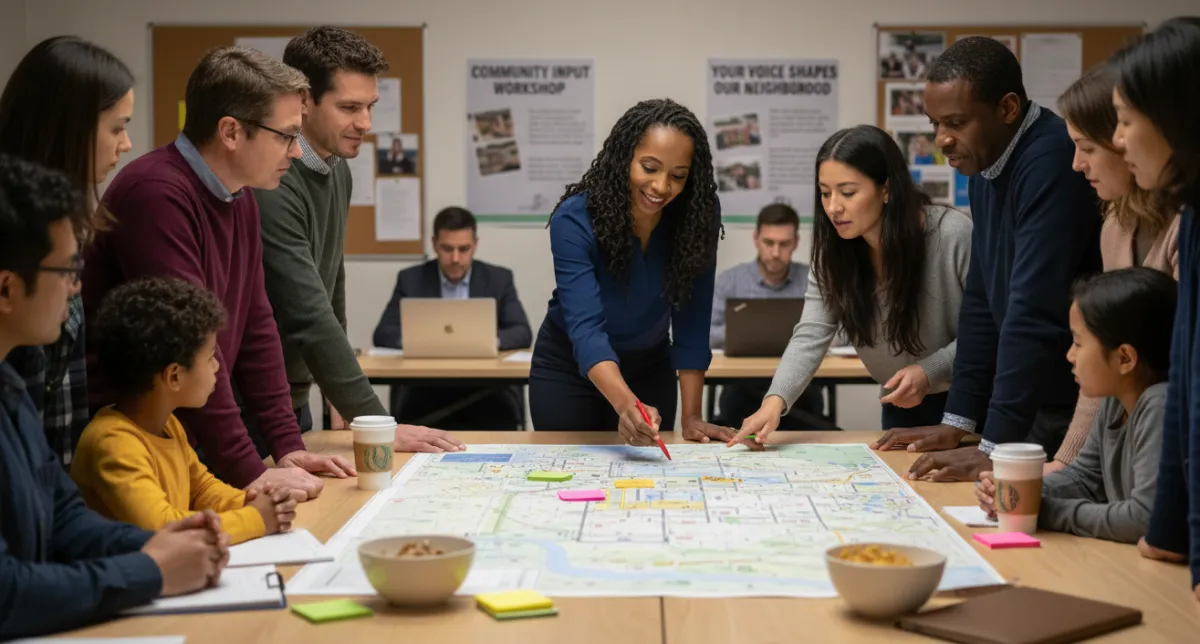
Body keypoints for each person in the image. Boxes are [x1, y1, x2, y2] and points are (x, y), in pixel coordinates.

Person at [82, 46, 354, 498]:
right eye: (286, 136)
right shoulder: (158, 195)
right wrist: (253, 472)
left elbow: (257, 325)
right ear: (230, 131)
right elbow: (186, 345)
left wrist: (286, 446)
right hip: (132, 441)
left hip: (187, 433)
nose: (295, 150)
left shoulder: (241, 196)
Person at [0, 153, 229, 639]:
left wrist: (159, 543)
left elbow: (62, 519)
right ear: (7, 288)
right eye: (66, 270)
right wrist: (152, 571)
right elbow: (7, 594)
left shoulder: (11, 386)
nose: (77, 287)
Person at [876, 36, 1103, 482]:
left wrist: (993, 447)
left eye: (956, 122)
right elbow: (981, 302)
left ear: (1007, 108)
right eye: (935, 123)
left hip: (1072, 401)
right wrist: (957, 421)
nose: (942, 140)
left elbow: (1032, 311)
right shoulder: (984, 166)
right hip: (1032, 400)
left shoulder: (1052, 159)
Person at [256, 27, 462, 452]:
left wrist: (342, 395)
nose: (365, 123)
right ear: (304, 101)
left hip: (295, 395)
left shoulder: (337, 169)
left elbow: (332, 285)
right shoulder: (273, 180)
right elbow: (307, 311)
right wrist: (376, 421)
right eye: (349, 107)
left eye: (370, 106)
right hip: (256, 402)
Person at [729, 125, 971, 445]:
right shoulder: (833, 253)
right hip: (900, 403)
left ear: (886, 189)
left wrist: (931, 370)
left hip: (967, 400)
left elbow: (988, 329)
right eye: (825, 193)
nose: (833, 207)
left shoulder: (953, 234)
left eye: (848, 192)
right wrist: (775, 401)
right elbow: (811, 333)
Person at [528, 98, 728, 445]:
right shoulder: (575, 219)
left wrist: (692, 416)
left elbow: (692, 320)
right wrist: (626, 404)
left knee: (649, 482)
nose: (662, 187)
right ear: (624, 159)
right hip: (570, 371)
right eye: (649, 168)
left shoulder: (697, 217)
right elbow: (586, 329)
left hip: (650, 368)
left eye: (678, 175)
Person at [71, 277, 298, 546]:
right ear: (174, 376)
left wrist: (251, 500)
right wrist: (255, 518)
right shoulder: (113, 443)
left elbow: (201, 488)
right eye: (211, 356)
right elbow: (163, 529)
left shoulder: (168, 425)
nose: (216, 367)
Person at [0, 36, 135, 466]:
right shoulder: (16, 228)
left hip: (52, 481)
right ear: (69, 126)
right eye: (117, 127)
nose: (126, 144)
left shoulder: (67, 220)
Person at [1046, 64, 1181, 474]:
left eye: (1087, 148)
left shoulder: (1183, 228)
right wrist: (1064, 464)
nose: (1076, 165)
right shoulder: (1116, 226)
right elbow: (1100, 367)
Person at [975, 268, 1173, 543]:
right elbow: (1086, 478)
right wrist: (1018, 492)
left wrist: (1041, 509)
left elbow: (1145, 519)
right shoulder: (1115, 400)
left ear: (1125, 358)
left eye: (1078, 343)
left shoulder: (1160, 406)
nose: (1069, 355)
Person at [1112, 17, 1200, 600]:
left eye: (1123, 121)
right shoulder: (1192, 218)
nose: (1118, 141)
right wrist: (1171, 530)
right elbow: (1188, 384)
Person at [373, 206, 532, 430]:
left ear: (475, 245)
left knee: (498, 415)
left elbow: (522, 331)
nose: (455, 258)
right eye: (447, 249)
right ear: (434, 243)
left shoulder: (498, 278)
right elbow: (383, 333)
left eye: (464, 249)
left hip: (487, 388)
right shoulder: (411, 279)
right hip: (426, 387)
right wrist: (417, 341)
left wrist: (486, 342)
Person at [708, 203, 826, 429]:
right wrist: (742, 334)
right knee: (736, 405)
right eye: (768, 242)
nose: (775, 252)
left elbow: (842, 332)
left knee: (809, 412)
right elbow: (705, 334)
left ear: (796, 243)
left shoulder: (813, 280)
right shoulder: (730, 280)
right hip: (741, 383)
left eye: (784, 244)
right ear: (756, 239)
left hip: (801, 386)